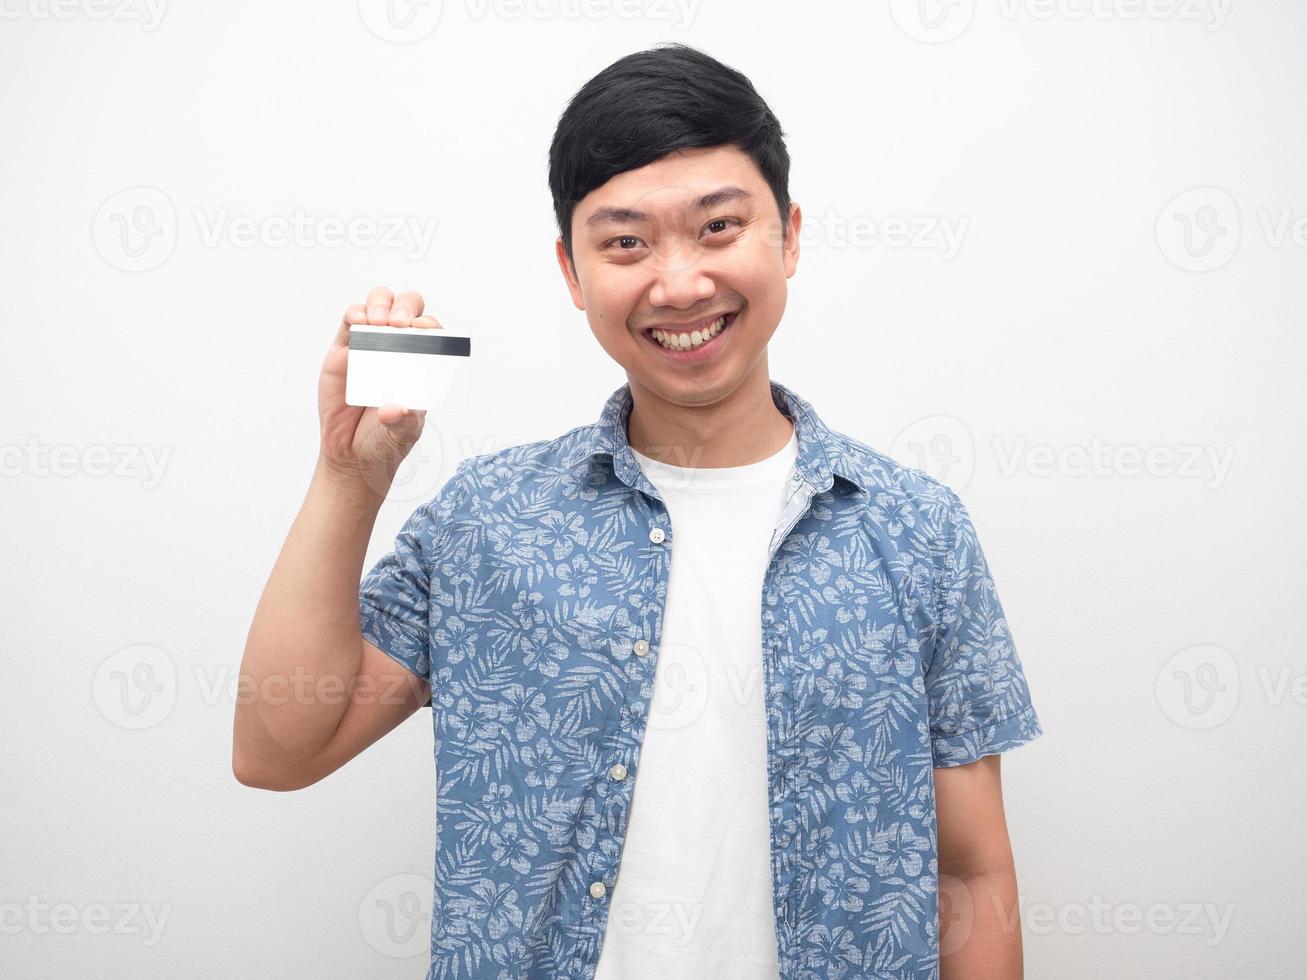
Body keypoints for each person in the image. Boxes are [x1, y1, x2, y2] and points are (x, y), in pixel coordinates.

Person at [233, 42, 1043, 980]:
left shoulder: (914, 531)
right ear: (572, 274)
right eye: (625, 242)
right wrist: (348, 475)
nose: (680, 283)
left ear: (787, 234)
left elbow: (971, 873)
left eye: (717, 227)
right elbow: (277, 750)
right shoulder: (487, 523)